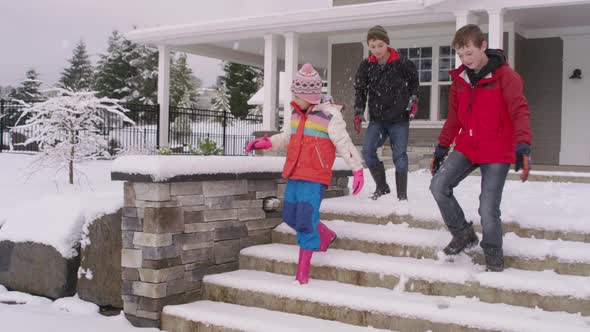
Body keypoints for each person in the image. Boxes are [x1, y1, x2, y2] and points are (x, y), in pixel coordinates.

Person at [245, 63, 364, 284]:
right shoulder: (295, 114)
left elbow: (344, 143)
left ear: (310, 95)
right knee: (290, 216)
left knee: (305, 221)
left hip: (315, 176)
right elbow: (287, 137)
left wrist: (357, 169)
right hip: (295, 172)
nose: (293, 97)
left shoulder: (330, 116)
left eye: (296, 94)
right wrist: (266, 142)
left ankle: (302, 274)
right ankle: (326, 235)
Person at [429, 24, 532, 272]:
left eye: (470, 53)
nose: (466, 60)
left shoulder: (507, 77)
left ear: (483, 46)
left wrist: (523, 145)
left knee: (488, 209)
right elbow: (454, 118)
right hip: (469, 145)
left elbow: (520, 111)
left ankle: (494, 253)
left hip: (497, 149)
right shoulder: (460, 80)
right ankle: (463, 234)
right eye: (461, 55)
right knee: (439, 186)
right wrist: (441, 148)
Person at [354, 25, 419, 201]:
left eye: (380, 45)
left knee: (399, 155)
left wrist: (413, 98)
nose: (377, 50)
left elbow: (414, 83)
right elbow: (360, 90)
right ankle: (382, 187)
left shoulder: (403, 63)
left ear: (387, 44)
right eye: (373, 46)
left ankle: (402, 196)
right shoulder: (366, 66)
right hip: (378, 119)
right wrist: (358, 111)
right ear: (369, 46)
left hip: (399, 119)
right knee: (367, 151)